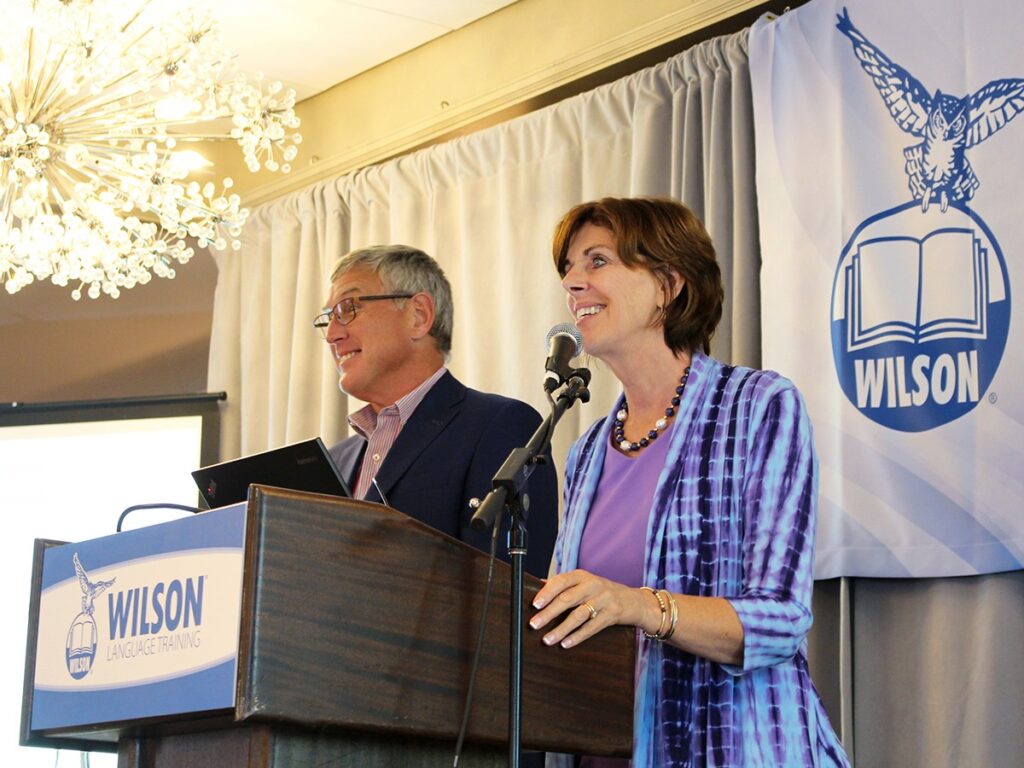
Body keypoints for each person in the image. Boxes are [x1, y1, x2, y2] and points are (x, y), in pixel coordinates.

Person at [529, 198, 849, 766]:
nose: (573, 282)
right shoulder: (585, 451)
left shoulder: (758, 407)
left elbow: (779, 618)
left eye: (597, 261)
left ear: (668, 285)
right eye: (569, 269)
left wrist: (639, 606)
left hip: (732, 748)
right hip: (601, 748)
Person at [316, 244, 557, 579]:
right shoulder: (335, 459)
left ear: (419, 316)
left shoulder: (501, 426)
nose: (331, 335)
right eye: (327, 319)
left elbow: (501, 599)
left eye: (347, 309)